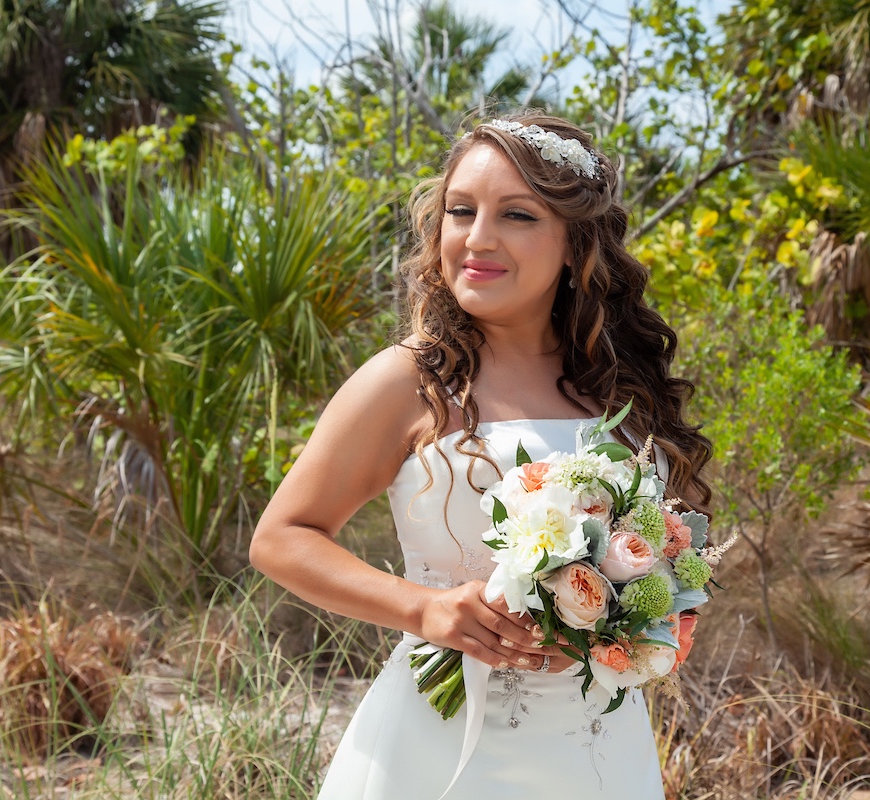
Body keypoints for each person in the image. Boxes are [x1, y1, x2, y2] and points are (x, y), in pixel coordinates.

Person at [249, 111, 712, 799]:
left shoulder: (623, 389)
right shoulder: (410, 381)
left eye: (517, 215)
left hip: (597, 754)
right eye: (461, 211)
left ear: (574, 242)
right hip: (436, 749)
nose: (478, 238)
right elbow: (281, 539)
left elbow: (668, 565)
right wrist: (423, 610)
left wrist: (651, 622)